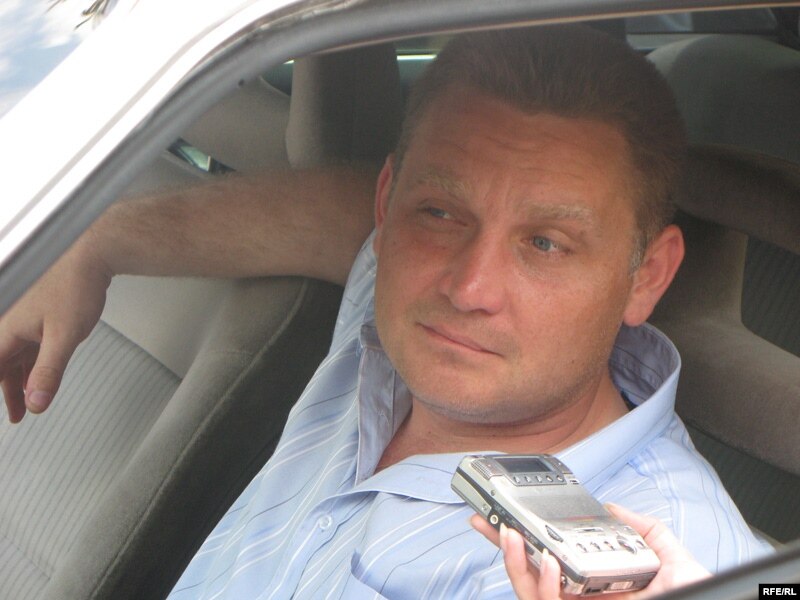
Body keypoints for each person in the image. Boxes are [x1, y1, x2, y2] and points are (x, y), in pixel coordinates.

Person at [0, 25, 770, 598]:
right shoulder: (395, 304)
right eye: (440, 212)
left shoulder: (671, 563)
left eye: (545, 243)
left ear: (647, 276)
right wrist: (97, 240)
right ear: (388, 204)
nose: (469, 287)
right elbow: (330, 212)